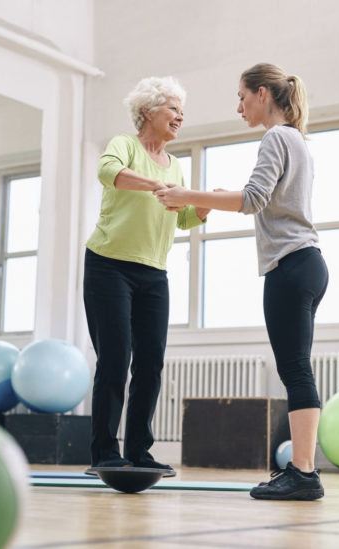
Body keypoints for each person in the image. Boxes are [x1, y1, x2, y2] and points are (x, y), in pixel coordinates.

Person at [155, 63, 329, 500]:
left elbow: (253, 199)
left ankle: (304, 473)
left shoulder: (276, 137)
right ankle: (305, 472)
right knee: (298, 368)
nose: (239, 107)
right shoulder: (298, 141)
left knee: (294, 370)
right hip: (307, 263)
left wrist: (187, 195)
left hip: (290, 265)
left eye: (242, 97)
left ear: (264, 94)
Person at [84, 76, 208, 476]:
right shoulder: (126, 145)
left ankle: (139, 449)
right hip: (109, 265)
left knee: (151, 362)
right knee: (115, 359)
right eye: (172, 107)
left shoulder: (177, 165)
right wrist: (156, 185)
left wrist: (203, 207)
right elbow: (108, 172)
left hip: (154, 273)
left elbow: (183, 216)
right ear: (148, 112)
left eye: (181, 109)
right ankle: (104, 451)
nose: (180, 115)